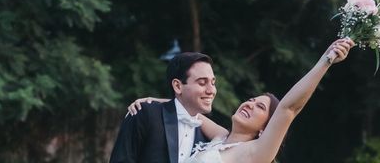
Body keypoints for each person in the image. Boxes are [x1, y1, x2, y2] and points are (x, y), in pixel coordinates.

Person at [127, 38, 354, 163]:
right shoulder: (219, 137)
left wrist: (326, 61)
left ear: (266, 129)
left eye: (260, 107)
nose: (249, 104)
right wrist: (152, 101)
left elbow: (289, 108)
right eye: (252, 100)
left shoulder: (254, 153)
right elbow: (186, 109)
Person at [109, 51, 217, 163]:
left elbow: (228, 137)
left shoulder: (207, 136)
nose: (211, 91)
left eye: (213, 83)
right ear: (178, 86)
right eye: (202, 83)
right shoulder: (144, 112)